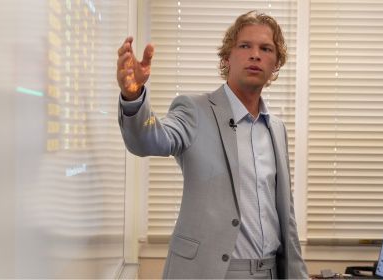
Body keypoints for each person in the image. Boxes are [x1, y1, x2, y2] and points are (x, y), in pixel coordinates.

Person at [116, 10, 308, 279]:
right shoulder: (194, 110)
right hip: (213, 272)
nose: (255, 54)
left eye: (266, 48)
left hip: (270, 271)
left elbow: (285, 216)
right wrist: (132, 95)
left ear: (276, 64)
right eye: (245, 46)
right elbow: (148, 140)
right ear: (227, 57)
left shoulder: (276, 129)